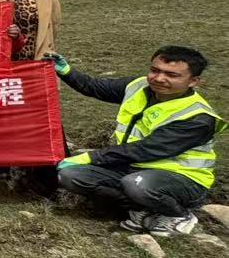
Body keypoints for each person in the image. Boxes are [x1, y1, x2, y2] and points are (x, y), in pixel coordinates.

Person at [54, 46, 223, 236]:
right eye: (155, 70)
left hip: (181, 178)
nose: (159, 78)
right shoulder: (138, 86)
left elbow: (145, 149)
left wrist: (91, 157)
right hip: (132, 167)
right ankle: (143, 209)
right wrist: (66, 71)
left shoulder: (197, 117)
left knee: (136, 184)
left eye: (171, 75)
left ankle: (177, 214)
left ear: (193, 81)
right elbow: (95, 87)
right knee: (70, 175)